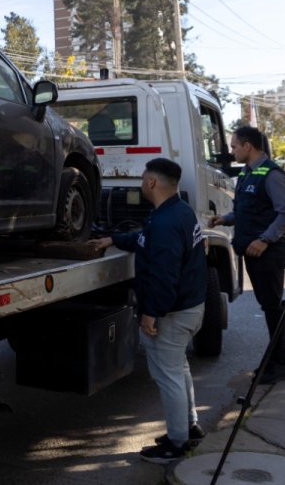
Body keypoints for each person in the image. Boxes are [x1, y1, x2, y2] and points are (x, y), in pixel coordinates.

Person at [90, 157, 206, 464]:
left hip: (172, 313)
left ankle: (177, 443)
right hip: (188, 308)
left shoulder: (166, 221)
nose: (142, 183)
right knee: (178, 369)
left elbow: (164, 276)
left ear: (152, 182)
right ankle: (189, 427)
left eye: (143, 178)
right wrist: (113, 239)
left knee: (168, 377)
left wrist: (151, 313)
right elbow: (146, 240)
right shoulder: (177, 212)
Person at [209, 125, 285, 384]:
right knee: (270, 305)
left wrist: (264, 240)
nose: (232, 152)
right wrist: (225, 218)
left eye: (234, 146)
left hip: (269, 251)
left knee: (271, 307)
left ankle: (278, 364)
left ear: (248, 145)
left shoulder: (271, 174)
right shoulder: (249, 173)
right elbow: (250, 209)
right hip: (254, 250)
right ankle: (284, 355)